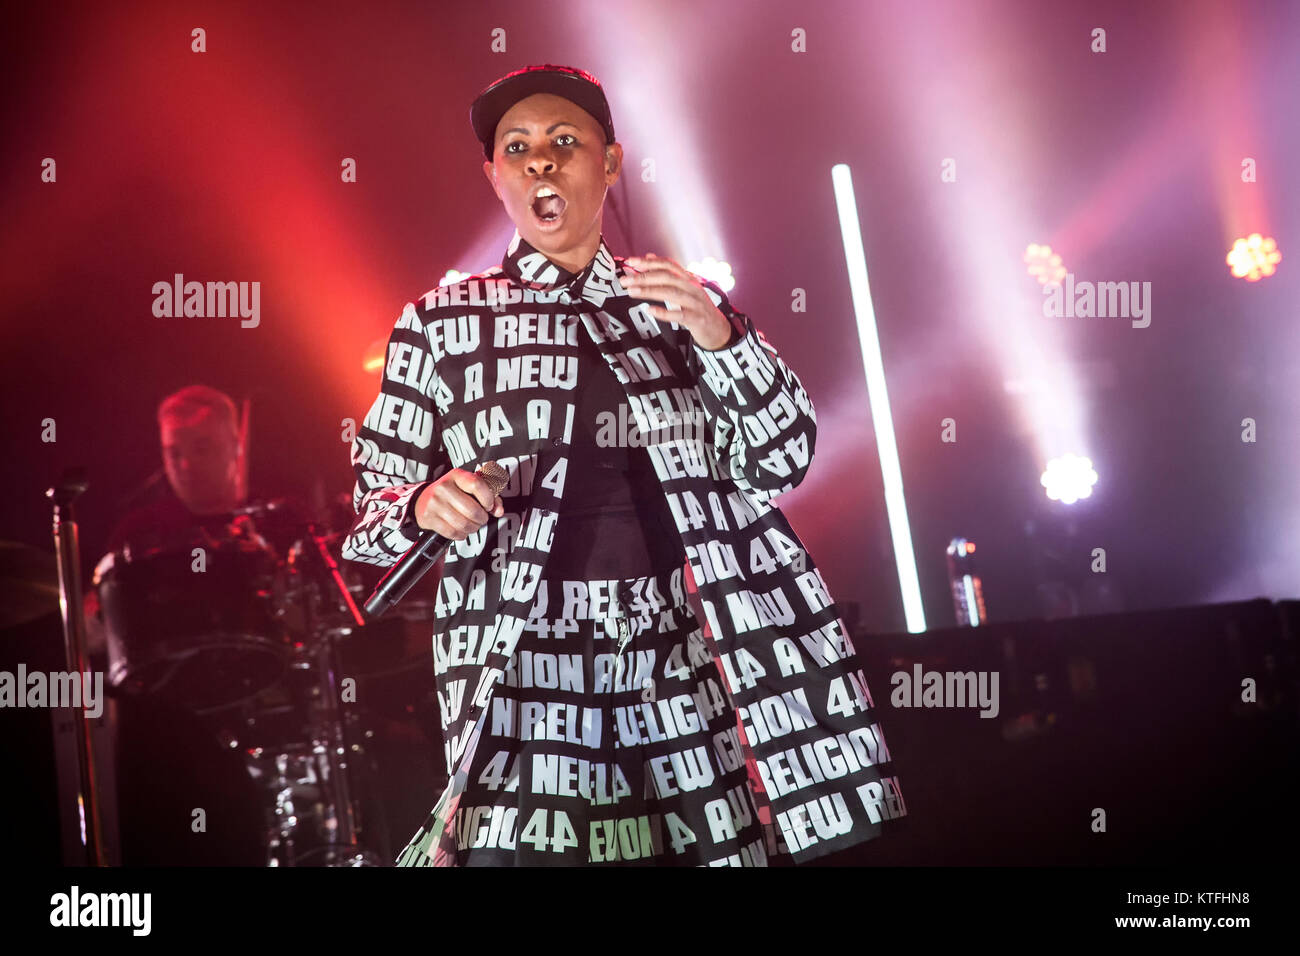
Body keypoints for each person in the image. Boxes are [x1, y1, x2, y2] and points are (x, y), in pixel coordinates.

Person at [342, 64, 906, 867]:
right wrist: (423, 504)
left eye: (565, 142)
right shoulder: (442, 323)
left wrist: (724, 340)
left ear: (609, 163)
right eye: (518, 148)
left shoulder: (680, 304)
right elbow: (367, 522)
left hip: (676, 652)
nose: (541, 161)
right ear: (494, 176)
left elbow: (783, 462)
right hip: (525, 663)